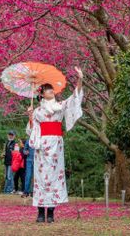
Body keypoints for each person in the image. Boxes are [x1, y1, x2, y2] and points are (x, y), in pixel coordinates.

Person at [26, 66, 84, 223]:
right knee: (40, 177)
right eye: (47, 89)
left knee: (54, 177)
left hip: (56, 144)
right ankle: (40, 211)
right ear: (41, 94)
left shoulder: (60, 106)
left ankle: (51, 212)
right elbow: (32, 131)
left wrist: (80, 79)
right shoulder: (37, 111)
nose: (51, 90)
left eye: (51, 89)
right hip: (42, 145)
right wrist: (31, 117)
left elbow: (75, 97)